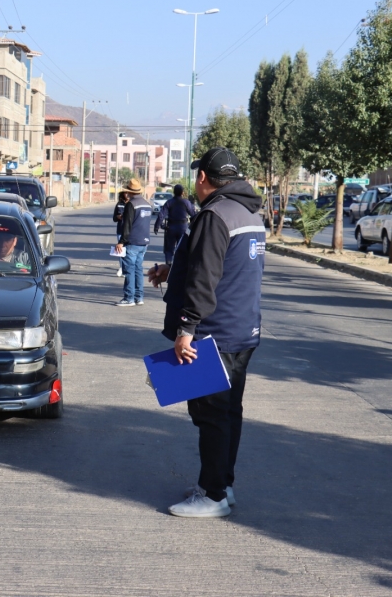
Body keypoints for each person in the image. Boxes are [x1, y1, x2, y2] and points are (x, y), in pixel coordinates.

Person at [147, 147, 265, 518]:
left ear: (202, 178)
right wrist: (171, 271)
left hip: (214, 333)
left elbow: (205, 278)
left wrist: (186, 329)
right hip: (243, 329)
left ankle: (212, 496)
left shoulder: (214, 215)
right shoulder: (247, 212)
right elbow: (219, 266)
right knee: (228, 414)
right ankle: (223, 485)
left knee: (210, 416)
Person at [115, 178, 151, 307]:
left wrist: (121, 242)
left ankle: (129, 298)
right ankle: (139, 297)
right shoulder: (147, 204)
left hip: (132, 242)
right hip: (144, 242)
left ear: (129, 192)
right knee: (138, 270)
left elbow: (127, 225)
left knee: (129, 270)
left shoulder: (131, 204)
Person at [154, 184, 196, 265]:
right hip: (183, 228)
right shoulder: (186, 202)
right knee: (183, 248)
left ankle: (168, 264)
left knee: (169, 249)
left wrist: (157, 226)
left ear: (174, 192)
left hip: (171, 228)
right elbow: (193, 214)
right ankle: (181, 266)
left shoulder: (169, 202)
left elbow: (161, 215)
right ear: (182, 193)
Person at [112, 191, 131, 277]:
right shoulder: (119, 204)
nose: (127, 194)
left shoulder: (132, 204)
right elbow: (114, 218)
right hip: (120, 230)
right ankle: (121, 268)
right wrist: (118, 217)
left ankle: (127, 268)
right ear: (123, 194)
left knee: (128, 251)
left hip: (130, 231)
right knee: (120, 250)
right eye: (125, 193)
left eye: (128, 193)